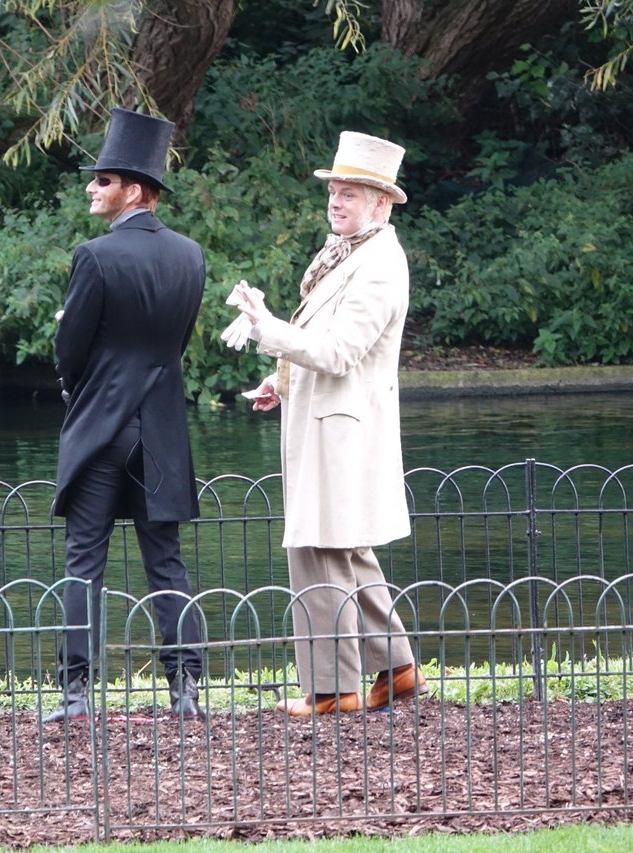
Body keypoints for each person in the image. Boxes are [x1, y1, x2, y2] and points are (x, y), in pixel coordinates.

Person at [226, 131, 428, 717]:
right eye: (334, 190)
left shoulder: (381, 264)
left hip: (343, 431)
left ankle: (333, 691)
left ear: (381, 204)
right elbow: (326, 348)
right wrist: (280, 380)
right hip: (326, 423)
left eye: (351, 192)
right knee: (339, 550)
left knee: (320, 550)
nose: (336, 201)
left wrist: (265, 326)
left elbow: (340, 353)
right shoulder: (350, 254)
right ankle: (396, 670)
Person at [45, 108, 207, 723]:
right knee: (165, 560)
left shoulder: (95, 256)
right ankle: (187, 690)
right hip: (161, 428)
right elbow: (175, 344)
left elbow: (71, 350)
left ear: (133, 191)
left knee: (84, 561)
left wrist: (75, 390)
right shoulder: (190, 257)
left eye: (103, 180)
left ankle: (76, 694)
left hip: (103, 425)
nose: (92, 187)